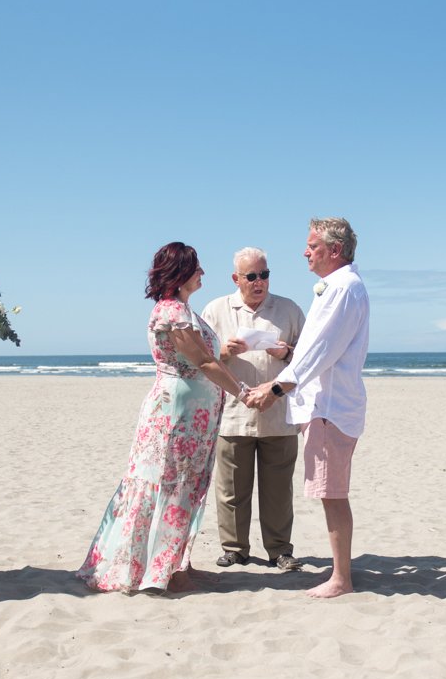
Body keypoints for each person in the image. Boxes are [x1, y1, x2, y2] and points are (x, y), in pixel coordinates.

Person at [79, 242, 248, 593]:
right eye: (197, 267)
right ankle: (162, 570)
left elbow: (207, 360)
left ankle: (176, 563)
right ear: (181, 272)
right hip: (178, 415)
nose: (202, 273)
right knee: (171, 485)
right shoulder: (173, 312)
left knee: (187, 486)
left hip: (193, 413)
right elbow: (202, 362)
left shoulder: (182, 309)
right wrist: (244, 393)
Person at [243, 218, 370, 598]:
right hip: (322, 405)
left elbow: (321, 352)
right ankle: (340, 575)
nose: (305, 251)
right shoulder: (337, 287)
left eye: (312, 245)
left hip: (330, 407)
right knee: (330, 493)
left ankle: (341, 579)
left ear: (334, 250)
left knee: (332, 494)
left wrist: (277, 387)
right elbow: (313, 350)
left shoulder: (345, 288)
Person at [200, 247, 306, 571]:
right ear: (236, 278)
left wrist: (286, 351)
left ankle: (279, 550)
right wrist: (222, 350)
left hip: (278, 413)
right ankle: (235, 549)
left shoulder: (288, 310)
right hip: (233, 414)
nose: (260, 282)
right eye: (252, 276)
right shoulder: (216, 309)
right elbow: (199, 358)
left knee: (278, 491)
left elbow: (309, 357)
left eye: (265, 274)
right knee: (231, 489)